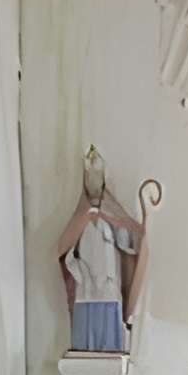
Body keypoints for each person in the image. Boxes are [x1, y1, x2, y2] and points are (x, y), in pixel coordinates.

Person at [56, 148, 147, 354]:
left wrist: (112, 219)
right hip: (86, 293)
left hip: (109, 292)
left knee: (109, 348)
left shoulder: (110, 220)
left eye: (97, 179)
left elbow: (128, 243)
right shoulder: (81, 219)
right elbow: (66, 251)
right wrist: (78, 271)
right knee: (85, 347)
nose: (94, 185)